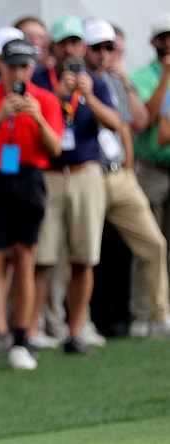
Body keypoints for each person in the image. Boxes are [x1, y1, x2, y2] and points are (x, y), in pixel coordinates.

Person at [0, 39, 63, 373]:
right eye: (13, 66)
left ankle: (22, 339)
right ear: (1, 67)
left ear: (32, 68)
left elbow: (54, 148)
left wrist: (36, 117)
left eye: (24, 66)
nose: (18, 72)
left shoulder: (46, 100)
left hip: (30, 180)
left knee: (25, 261)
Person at [31, 15, 123, 355]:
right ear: (53, 47)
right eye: (65, 42)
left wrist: (89, 97)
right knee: (43, 257)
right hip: (51, 175)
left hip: (86, 173)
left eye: (75, 42)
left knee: (84, 257)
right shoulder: (40, 79)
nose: (71, 48)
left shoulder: (94, 81)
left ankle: (74, 330)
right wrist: (57, 96)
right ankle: (33, 329)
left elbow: (115, 124)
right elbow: (35, 123)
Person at [82, 19, 170, 337]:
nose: (106, 54)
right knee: (83, 254)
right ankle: (79, 321)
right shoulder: (75, 81)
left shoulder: (119, 80)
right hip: (86, 173)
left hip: (121, 174)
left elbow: (131, 125)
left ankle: (159, 316)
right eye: (99, 48)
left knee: (153, 244)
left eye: (111, 48)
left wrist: (128, 166)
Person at [130, 12, 170, 335]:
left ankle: (164, 313)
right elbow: (149, 117)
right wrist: (166, 77)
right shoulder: (142, 75)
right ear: (155, 42)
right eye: (166, 36)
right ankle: (144, 313)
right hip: (153, 169)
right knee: (149, 243)